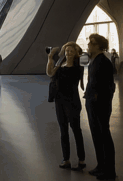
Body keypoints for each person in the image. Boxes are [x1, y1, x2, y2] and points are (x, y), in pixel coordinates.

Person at [48, 42, 86, 170]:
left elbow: (75, 82)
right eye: (66, 51)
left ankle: (81, 160)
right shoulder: (60, 67)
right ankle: (66, 159)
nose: (68, 53)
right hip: (60, 102)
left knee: (76, 131)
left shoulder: (78, 69)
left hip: (72, 102)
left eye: (70, 51)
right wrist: (50, 59)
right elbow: (49, 73)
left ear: (75, 53)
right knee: (63, 131)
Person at [84, 34, 116, 180]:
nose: (88, 45)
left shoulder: (104, 62)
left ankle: (109, 171)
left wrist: (99, 99)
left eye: (91, 42)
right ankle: (101, 166)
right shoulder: (93, 61)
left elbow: (110, 86)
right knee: (96, 136)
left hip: (100, 104)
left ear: (98, 46)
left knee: (104, 136)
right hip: (92, 102)